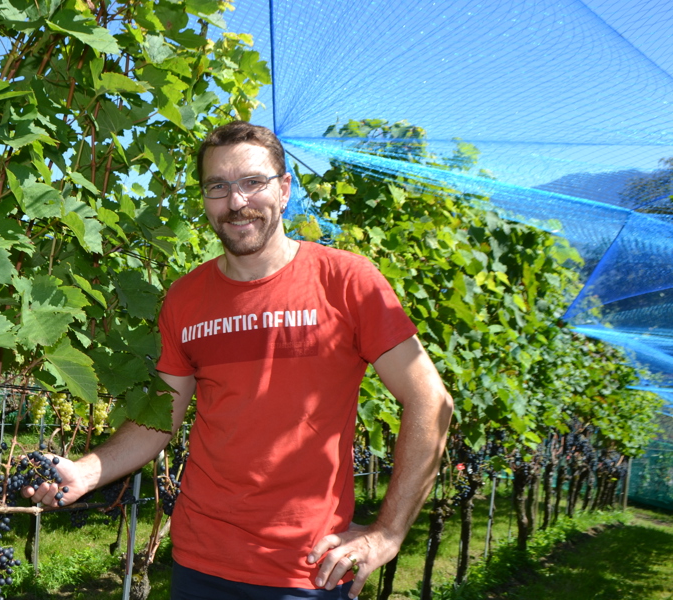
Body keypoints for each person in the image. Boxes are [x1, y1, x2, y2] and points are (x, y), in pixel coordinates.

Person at [25, 121, 453, 599]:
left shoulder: (346, 282)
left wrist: (388, 532)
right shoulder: (185, 298)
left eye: (253, 182)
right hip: (198, 562)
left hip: (306, 571)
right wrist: (85, 472)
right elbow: (159, 420)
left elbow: (431, 401)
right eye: (218, 186)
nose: (236, 201)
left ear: (284, 189)